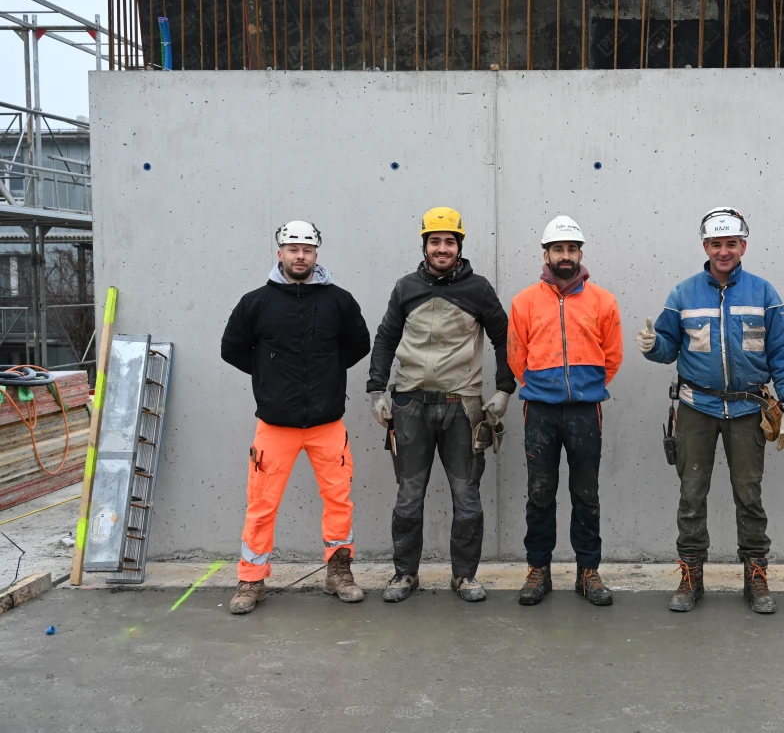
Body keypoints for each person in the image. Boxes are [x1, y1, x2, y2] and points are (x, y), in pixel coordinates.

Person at [637, 207, 784, 614]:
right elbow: (668, 348)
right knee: (691, 495)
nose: (723, 251)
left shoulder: (764, 294)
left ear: (743, 245)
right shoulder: (683, 294)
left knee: (749, 495)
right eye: (716, 244)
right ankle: (691, 577)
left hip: (748, 409)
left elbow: (782, 352)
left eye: (731, 243)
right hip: (696, 407)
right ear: (705, 246)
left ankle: (756, 577)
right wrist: (653, 346)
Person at [220, 220, 371, 615]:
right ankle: (251, 579)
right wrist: (268, 375)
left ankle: (339, 572)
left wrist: (326, 372)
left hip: (327, 424)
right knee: (261, 504)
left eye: (306, 249)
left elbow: (359, 344)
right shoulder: (256, 302)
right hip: (275, 425)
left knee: (339, 501)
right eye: (293, 249)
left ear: (316, 253)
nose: (300, 256)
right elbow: (231, 348)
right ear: (280, 253)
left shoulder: (339, 300)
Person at [366, 207, 514, 603]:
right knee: (408, 497)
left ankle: (464, 577)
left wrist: (504, 389)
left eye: (450, 241)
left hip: (462, 407)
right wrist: (376, 390)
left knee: (467, 497)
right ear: (425, 245)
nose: (442, 248)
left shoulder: (478, 289)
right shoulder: (406, 288)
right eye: (435, 241)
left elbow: (504, 337)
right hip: (409, 406)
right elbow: (385, 337)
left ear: (459, 246)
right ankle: (405, 574)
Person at [507, 216, 623, 607]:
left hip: (585, 412)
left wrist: (585, 388)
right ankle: (538, 569)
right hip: (539, 411)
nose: (566, 255)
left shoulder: (602, 301)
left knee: (586, 494)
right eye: (558, 249)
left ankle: (588, 571)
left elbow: (613, 356)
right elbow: (516, 355)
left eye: (572, 249)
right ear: (546, 254)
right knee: (540, 494)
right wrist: (544, 388)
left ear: (580, 253)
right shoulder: (524, 302)